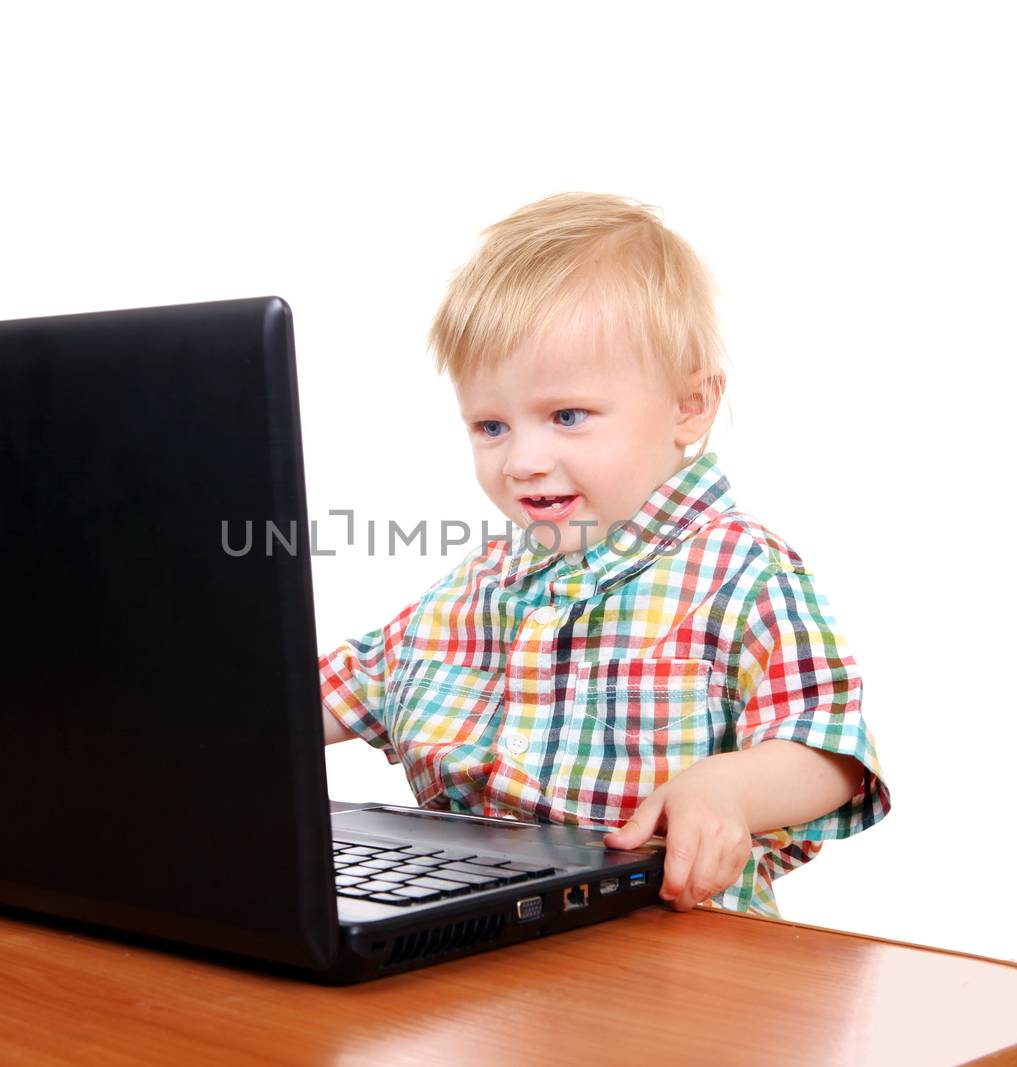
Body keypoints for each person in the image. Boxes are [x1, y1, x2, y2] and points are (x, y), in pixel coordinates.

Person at [317, 192, 890, 918]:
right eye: (491, 425)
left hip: (675, 961)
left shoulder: (743, 574)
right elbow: (339, 686)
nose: (523, 460)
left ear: (690, 406)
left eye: (567, 416)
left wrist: (723, 787)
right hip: (486, 960)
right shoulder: (474, 591)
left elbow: (828, 752)